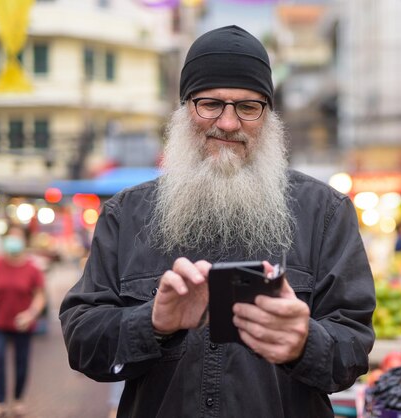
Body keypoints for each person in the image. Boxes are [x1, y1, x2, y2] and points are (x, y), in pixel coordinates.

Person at [59, 25, 376, 418]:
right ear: (184, 109)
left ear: (268, 116)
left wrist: (304, 343)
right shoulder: (125, 215)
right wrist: (154, 322)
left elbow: (353, 351)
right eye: (210, 104)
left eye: (248, 107)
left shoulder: (325, 212)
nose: (228, 123)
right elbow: (82, 344)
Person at [0, 225, 46, 418]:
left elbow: (40, 296)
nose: (14, 240)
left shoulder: (32, 268)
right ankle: (0, 402)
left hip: (22, 325)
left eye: (17, 237)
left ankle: (18, 400)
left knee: (21, 363)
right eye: (11, 236)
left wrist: (31, 314)